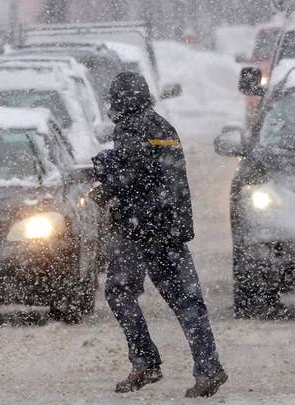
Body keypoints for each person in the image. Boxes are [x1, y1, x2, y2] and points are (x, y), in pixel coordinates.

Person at [90, 72, 227, 398]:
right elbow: (162, 176)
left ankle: (145, 362)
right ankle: (209, 368)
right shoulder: (163, 126)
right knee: (187, 301)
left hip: (139, 230)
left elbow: (133, 178)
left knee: (119, 292)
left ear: (119, 101)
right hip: (170, 229)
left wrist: (105, 175)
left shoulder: (131, 129)